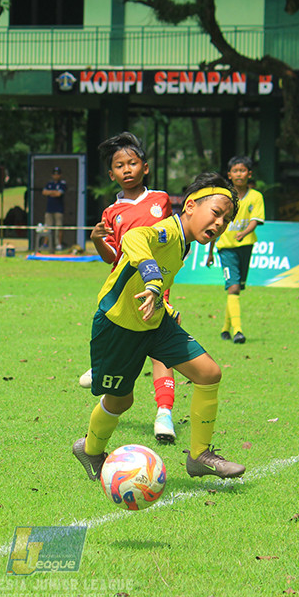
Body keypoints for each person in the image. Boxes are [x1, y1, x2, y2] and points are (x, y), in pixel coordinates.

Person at [72, 172, 245, 481]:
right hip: (118, 326)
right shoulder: (167, 230)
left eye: (226, 220)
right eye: (216, 213)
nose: (220, 224)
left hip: (156, 322)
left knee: (209, 373)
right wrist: (152, 280)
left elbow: (165, 273)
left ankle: (199, 456)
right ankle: (91, 450)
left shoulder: (184, 242)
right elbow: (134, 238)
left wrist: (162, 301)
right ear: (190, 206)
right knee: (121, 400)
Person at [84, 132, 179, 444]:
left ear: (145, 168)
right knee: (124, 341)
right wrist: (98, 239)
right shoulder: (111, 213)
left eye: (132, 163)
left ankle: (164, 415)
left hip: (156, 286)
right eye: (119, 166)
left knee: (160, 350)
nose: (127, 169)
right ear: (112, 175)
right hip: (125, 289)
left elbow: (174, 239)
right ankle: (102, 369)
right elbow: (113, 257)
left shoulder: (161, 201)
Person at [206, 155, 264, 344]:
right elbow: (216, 225)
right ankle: (238, 331)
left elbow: (256, 219)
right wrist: (210, 252)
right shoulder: (224, 198)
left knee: (236, 290)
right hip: (226, 249)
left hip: (246, 247)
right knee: (234, 287)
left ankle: (225, 328)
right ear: (229, 175)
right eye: (235, 171)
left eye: (243, 170)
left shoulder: (256, 196)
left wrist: (244, 232)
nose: (239, 174)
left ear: (249, 174)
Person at [42, 166, 67, 251]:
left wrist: (51, 192)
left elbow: (59, 194)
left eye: (57, 174)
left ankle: (58, 244)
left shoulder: (62, 184)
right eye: (54, 174)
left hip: (58, 209)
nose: (56, 176)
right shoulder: (49, 184)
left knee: (58, 227)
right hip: (49, 209)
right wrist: (53, 192)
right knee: (47, 226)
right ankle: (46, 244)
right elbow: (44, 192)